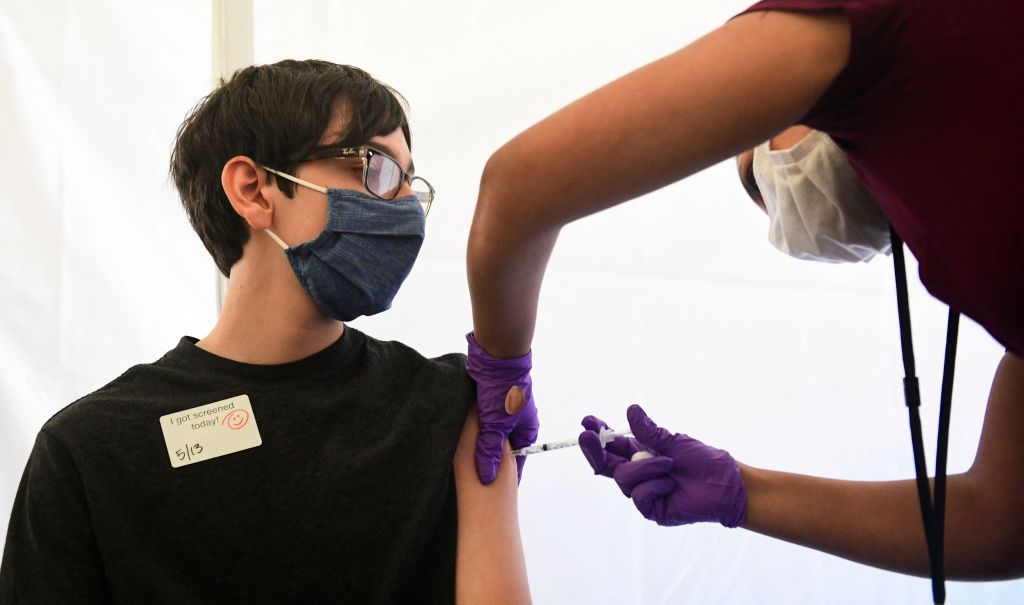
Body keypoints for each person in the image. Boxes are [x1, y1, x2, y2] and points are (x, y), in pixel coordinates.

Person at [465, 0, 1023, 584]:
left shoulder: (880, 18)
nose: (777, 202)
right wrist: (741, 491)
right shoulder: (986, 259)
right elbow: (1001, 523)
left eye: (756, 167)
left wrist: (501, 370)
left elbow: (519, 185)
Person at [0, 60, 530, 604]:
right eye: (375, 166)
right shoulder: (92, 451)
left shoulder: (449, 408)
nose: (405, 209)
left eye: (408, 181)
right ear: (253, 189)